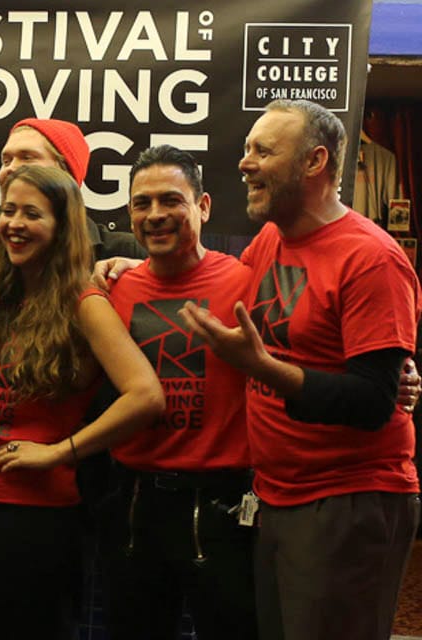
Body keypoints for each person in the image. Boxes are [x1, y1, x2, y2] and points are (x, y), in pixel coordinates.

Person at [181, 99, 421, 640]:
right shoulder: (272, 239)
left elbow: (372, 402)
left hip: (346, 500)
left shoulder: (372, 259)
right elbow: (221, 283)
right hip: (279, 497)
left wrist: (263, 368)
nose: (243, 163)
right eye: (246, 149)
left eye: (262, 150)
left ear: (314, 163)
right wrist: (128, 262)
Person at [0, 164, 164, 640]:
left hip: (33, 514)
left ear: (63, 227)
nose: (14, 224)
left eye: (32, 214)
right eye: (7, 211)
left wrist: (61, 451)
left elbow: (145, 396)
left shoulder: (84, 302)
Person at [103, 145, 256, 639]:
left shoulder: (244, 281)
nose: (155, 215)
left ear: (204, 206)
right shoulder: (113, 288)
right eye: (141, 204)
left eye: (171, 200)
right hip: (135, 502)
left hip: (221, 507)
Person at [0, 117, 144, 266]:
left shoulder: (125, 253)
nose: (10, 169)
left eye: (27, 158)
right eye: (6, 161)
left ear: (65, 172)